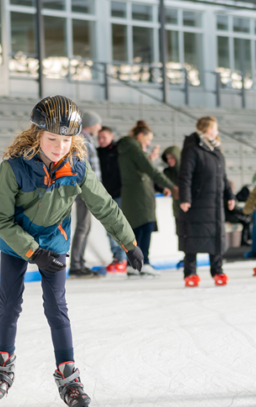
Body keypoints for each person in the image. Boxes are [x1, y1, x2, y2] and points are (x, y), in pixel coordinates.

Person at [0, 96, 143, 407]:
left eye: (66, 140)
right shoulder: (14, 168)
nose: (59, 147)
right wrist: (32, 250)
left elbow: (105, 206)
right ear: (37, 135)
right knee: (10, 303)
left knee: (57, 308)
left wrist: (129, 243)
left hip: (54, 241)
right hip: (16, 241)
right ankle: (2, 366)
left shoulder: (77, 168)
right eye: (52, 139)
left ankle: (68, 375)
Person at [177, 116, 235, 287]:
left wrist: (230, 195)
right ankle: (190, 273)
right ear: (208, 129)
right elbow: (185, 175)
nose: (217, 132)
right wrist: (185, 198)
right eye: (215, 128)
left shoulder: (217, 151)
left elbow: (223, 177)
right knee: (193, 237)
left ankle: (218, 271)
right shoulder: (192, 149)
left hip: (215, 203)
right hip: (197, 202)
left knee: (216, 236)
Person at [117, 120, 175, 278]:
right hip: (140, 194)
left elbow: (140, 167)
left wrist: (149, 157)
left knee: (135, 229)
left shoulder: (125, 149)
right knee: (146, 226)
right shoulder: (135, 150)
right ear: (140, 136)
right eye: (148, 139)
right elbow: (151, 171)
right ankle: (144, 262)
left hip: (130, 194)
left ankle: (134, 264)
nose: (149, 143)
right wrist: (172, 186)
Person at [69, 110, 103, 279]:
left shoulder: (86, 139)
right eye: (98, 123)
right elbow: (82, 167)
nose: (100, 127)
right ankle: (76, 265)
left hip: (86, 189)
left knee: (85, 227)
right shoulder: (82, 140)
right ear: (91, 124)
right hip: (85, 190)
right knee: (82, 227)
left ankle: (79, 263)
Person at [97, 126, 128, 273]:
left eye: (104, 137)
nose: (101, 141)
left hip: (120, 194)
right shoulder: (98, 153)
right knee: (109, 228)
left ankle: (123, 258)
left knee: (119, 226)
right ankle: (117, 257)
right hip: (105, 196)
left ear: (111, 136)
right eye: (99, 138)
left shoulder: (119, 151)